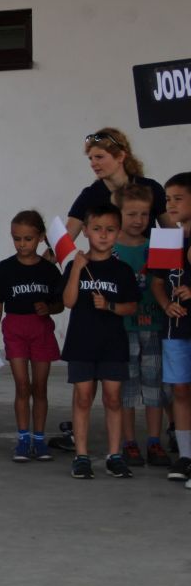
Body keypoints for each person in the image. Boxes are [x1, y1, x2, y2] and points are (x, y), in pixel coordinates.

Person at [61, 203, 139, 479]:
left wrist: (109, 306)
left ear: (118, 232)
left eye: (110, 230)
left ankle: (114, 455)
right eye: (97, 229)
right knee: (83, 398)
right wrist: (76, 270)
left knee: (113, 398)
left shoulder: (123, 270)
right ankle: (81, 455)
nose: (103, 235)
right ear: (85, 231)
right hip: (81, 342)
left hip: (112, 344)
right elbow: (68, 301)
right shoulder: (75, 265)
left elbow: (131, 306)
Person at [0, 210, 64, 462]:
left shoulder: (49, 271)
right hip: (14, 329)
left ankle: (39, 440)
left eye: (28, 239)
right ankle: (22, 439)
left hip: (41, 330)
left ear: (40, 237)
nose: (22, 244)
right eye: (16, 238)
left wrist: (48, 308)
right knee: (22, 385)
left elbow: (61, 303)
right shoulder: (5, 268)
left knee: (39, 387)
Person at [113, 184, 171, 467]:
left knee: (154, 386)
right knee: (127, 388)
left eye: (145, 214)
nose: (139, 220)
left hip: (155, 327)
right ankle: (129, 442)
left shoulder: (159, 247)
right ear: (118, 214)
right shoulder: (110, 250)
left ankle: (154, 441)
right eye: (132, 214)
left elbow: (169, 282)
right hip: (122, 329)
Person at [151, 172, 191, 485]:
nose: (171, 204)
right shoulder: (166, 238)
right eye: (168, 199)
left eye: (179, 198)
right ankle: (186, 455)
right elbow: (157, 283)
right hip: (175, 329)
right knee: (179, 389)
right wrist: (166, 304)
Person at [66, 128, 170, 241]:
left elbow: (171, 231)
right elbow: (64, 242)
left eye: (99, 157)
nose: (93, 164)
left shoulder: (151, 188)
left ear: (120, 156)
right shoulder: (90, 195)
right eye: (91, 158)